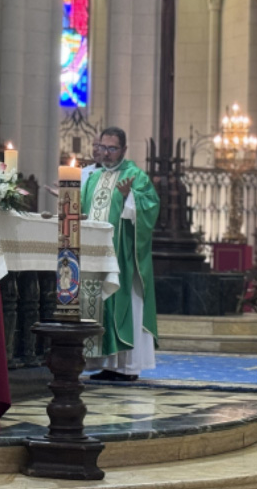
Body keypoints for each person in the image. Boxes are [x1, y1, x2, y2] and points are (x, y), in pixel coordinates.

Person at [82, 127, 160, 381]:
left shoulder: (135, 175)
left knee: (125, 304)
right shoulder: (92, 177)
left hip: (123, 257)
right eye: (102, 147)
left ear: (124, 150)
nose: (105, 153)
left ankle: (127, 367)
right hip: (94, 258)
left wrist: (131, 199)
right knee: (99, 306)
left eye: (112, 148)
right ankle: (106, 364)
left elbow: (151, 208)